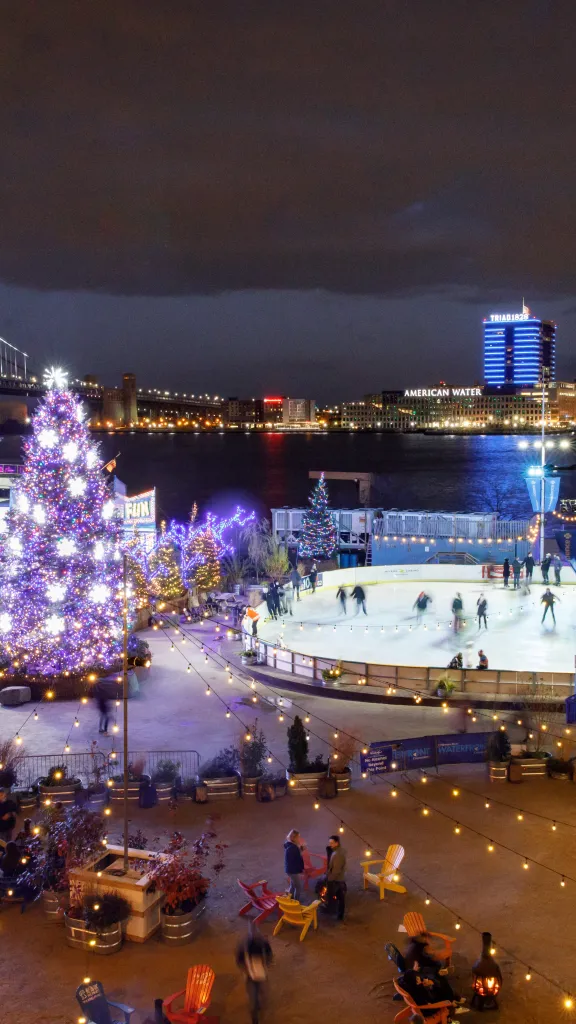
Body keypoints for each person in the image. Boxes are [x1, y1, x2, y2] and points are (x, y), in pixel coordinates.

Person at [236, 924, 273, 1024]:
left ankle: (257, 1007)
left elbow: (269, 956)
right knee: (253, 1001)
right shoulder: (244, 947)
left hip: (259, 974)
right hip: (251, 976)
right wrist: (247, 970)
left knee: (261, 993)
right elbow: (240, 961)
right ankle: (255, 1019)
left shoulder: (263, 944)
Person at [326, 834, 347, 921]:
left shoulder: (338, 855)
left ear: (337, 843)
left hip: (337, 879)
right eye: (329, 842)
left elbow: (336, 870)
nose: (330, 844)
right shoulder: (337, 851)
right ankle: (339, 914)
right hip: (337, 878)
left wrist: (329, 879)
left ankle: (339, 915)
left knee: (339, 896)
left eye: (332, 843)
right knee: (340, 896)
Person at [284, 828, 304, 902]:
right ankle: (296, 902)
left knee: (292, 885)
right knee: (298, 887)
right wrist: (300, 870)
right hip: (293, 871)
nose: (299, 839)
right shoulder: (293, 848)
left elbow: (294, 856)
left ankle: (289, 899)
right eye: (298, 837)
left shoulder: (289, 845)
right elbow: (297, 860)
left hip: (289, 870)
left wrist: (299, 849)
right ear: (294, 838)